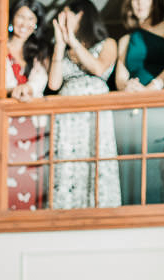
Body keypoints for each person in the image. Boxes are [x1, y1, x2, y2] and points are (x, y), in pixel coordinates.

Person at [48, 0, 120, 210]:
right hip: (67, 115)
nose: (62, 20)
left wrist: (72, 41)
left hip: (95, 113)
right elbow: (54, 83)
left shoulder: (107, 43)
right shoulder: (64, 50)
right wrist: (60, 45)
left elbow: (98, 68)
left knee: (97, 157)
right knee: (68, 161)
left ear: (81, 15)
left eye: (66, 15)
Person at [114, 0, 164, 89]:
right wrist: (127, 86)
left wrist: (149, 89)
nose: (140, 3)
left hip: (163, 93)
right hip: (134, 95)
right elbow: (120, 79)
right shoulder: (125, 40)